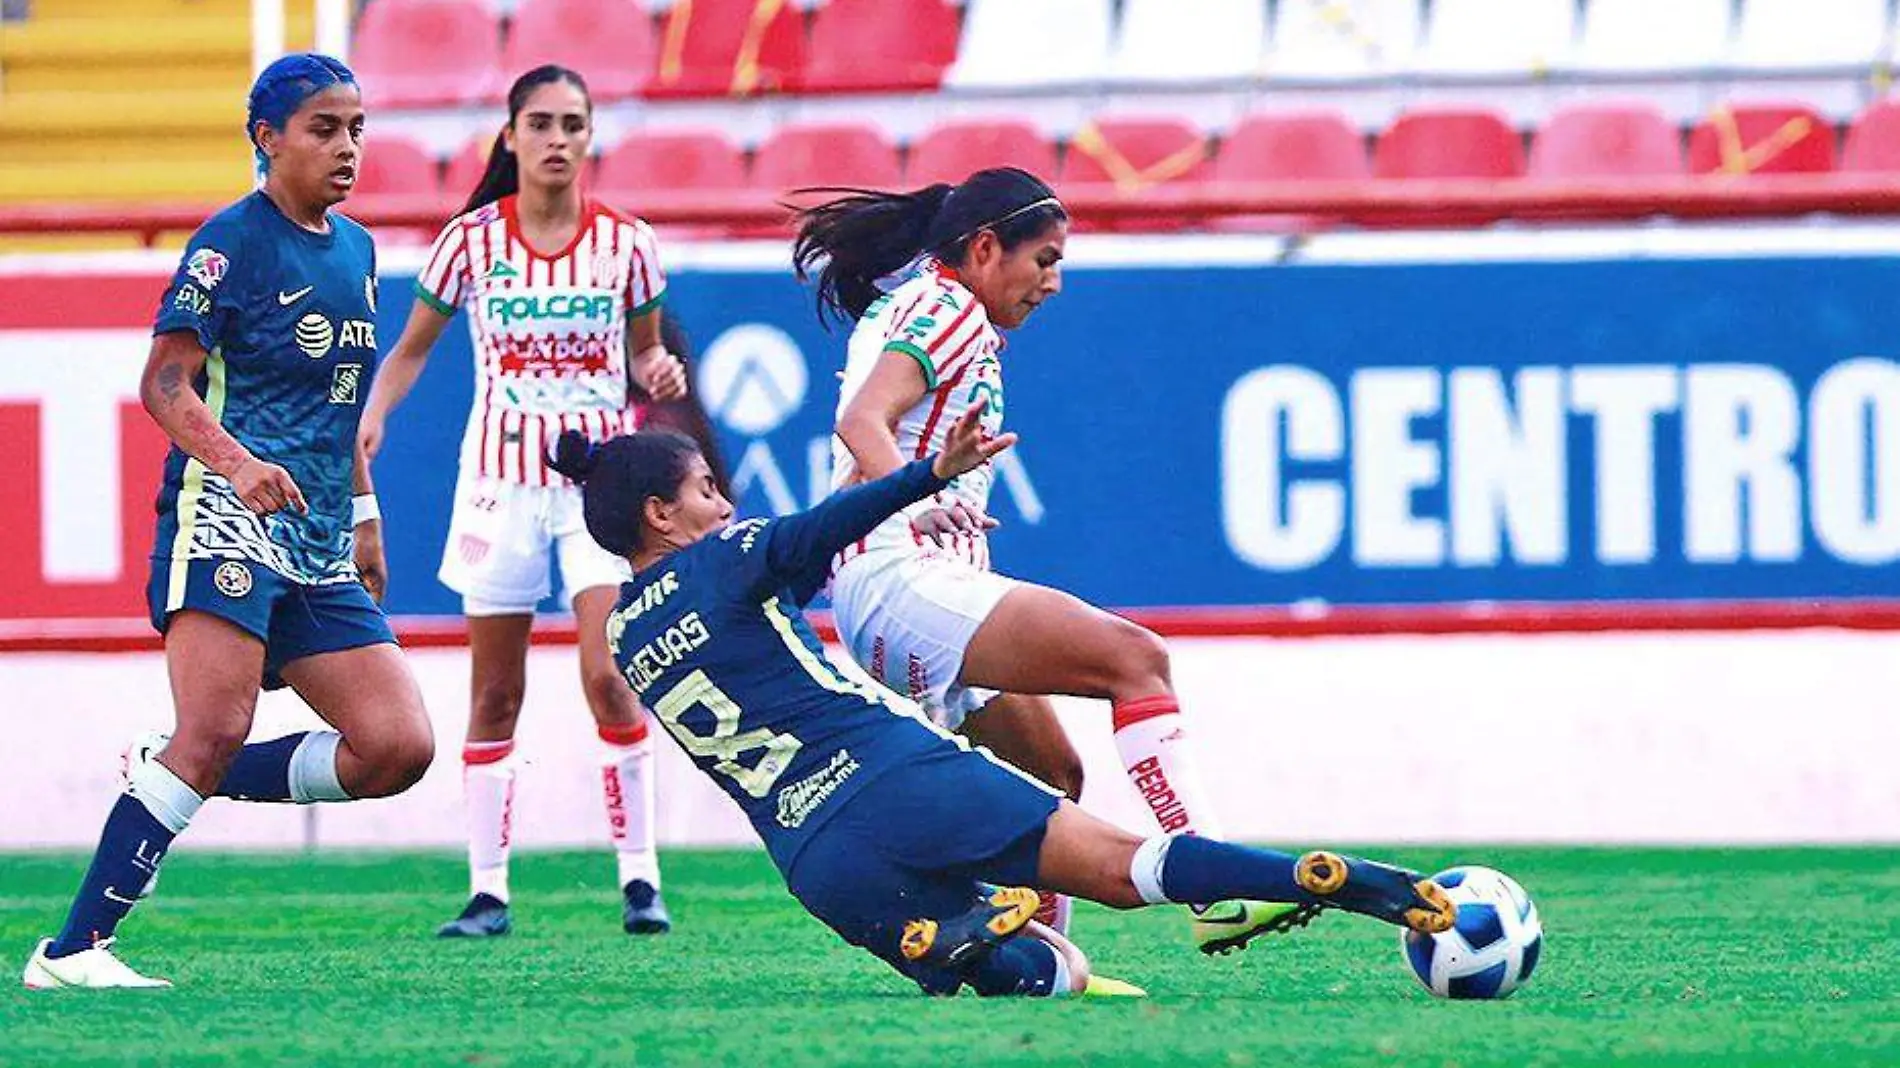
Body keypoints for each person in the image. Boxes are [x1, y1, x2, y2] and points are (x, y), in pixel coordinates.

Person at [551, 416, 1457, 998]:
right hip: (896, 774)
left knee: (1053, 975)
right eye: (707, 488)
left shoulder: (626, 639)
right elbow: (819, 530)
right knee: (1124, 869)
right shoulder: (726, 555)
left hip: (819, 860)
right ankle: (1319, 881)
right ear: (662, 515)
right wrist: (924, 477)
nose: (724, 501)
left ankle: (954, 933)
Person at [793, 168, 1301, 953]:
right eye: (1045, 260)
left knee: (1051, 779)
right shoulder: (950, 307)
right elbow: (864, 416)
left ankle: (1038, 963)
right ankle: (1220, 884)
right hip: (903, 573)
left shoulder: (922, 301)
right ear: (987, 247)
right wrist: (916, 496)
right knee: (1134, 659)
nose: (1055, 283)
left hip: (899, 583)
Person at [23, 53, 435, 990]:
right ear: (267, 138)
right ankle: (74, 951)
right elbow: (164, 383)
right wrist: (240, 465)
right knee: (213, 724)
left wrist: (365, 515)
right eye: (325, 129)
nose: (347, 147)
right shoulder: (228, 244)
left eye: (358, 128)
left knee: (396, 747)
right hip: (225, 519)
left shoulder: (360, 251)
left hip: (320, 534)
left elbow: (340, 403)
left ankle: (171, 771)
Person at [358, 64, 688, 939]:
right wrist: (375, 415)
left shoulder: (629, 244)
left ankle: (641, 879)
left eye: (571, 124)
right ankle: (488, 889)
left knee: (607, 671)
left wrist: (654, 373)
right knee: (495, 689)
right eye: (538, 123)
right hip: (499, 482)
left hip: (599, 487)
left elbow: (644, 359)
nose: (555, 139)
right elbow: (411, 349)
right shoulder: (470, 242)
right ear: (509, 136)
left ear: (589, 138)